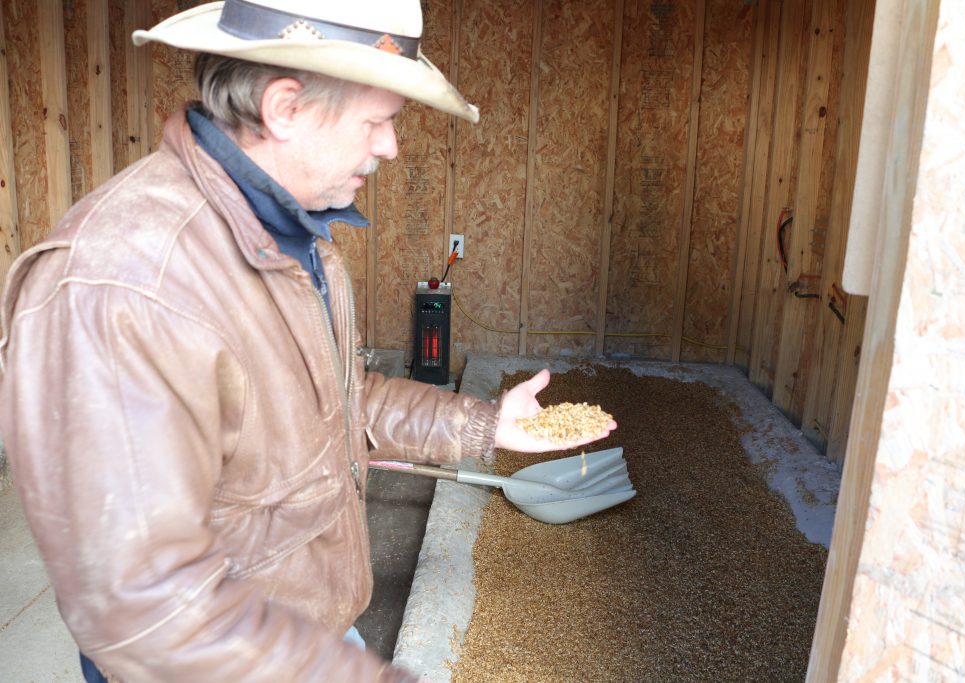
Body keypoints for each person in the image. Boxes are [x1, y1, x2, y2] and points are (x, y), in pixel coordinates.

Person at [0, 1, 615, 681]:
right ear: (285, 108)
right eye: (377, 121)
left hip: (303, 632)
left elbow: (330, 406)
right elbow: (143, 606)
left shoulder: (295, 238)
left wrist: (483, 424)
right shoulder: (126, 280)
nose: (391, 146)